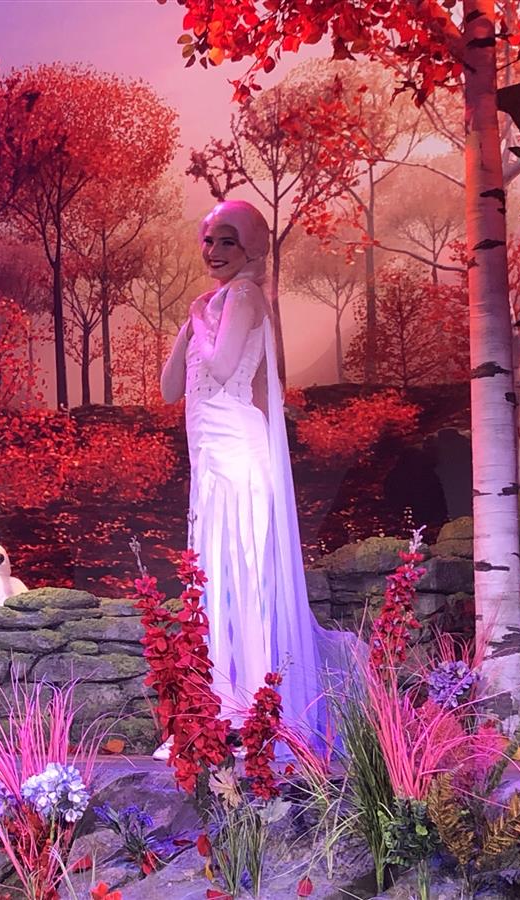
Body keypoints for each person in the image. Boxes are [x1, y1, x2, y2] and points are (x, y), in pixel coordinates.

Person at [159, 200, 350, 754]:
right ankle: (226, 706)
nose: (213, 251)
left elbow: (222, 368)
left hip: (239, 457)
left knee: (244, 574)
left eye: (227, 240)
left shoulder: (244, 296)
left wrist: (198, 317)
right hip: (212, 461)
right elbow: (171, 389)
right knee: (219, 579)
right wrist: (189, 324)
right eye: (208, 239)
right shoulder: (213, 303)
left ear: (250, 247)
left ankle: (256, 709)